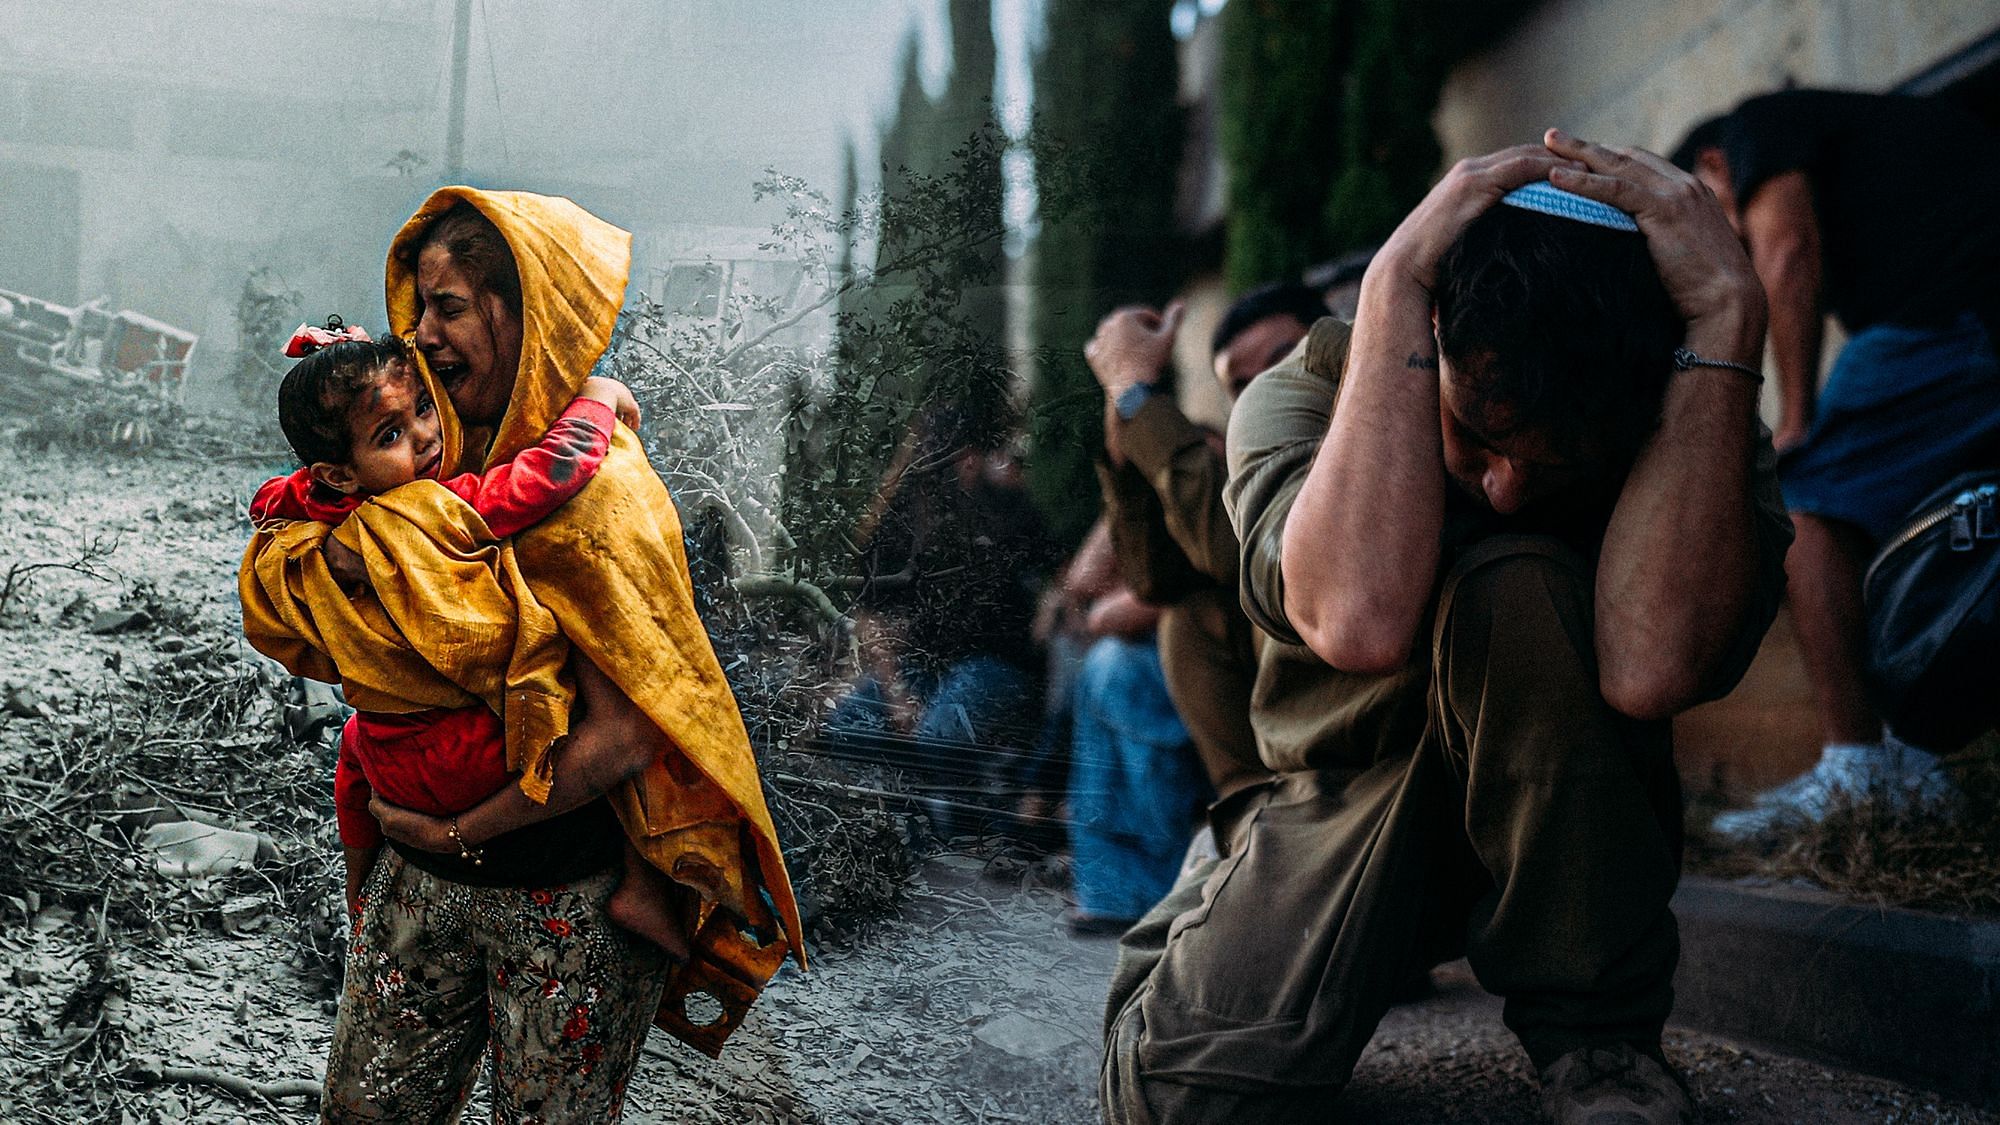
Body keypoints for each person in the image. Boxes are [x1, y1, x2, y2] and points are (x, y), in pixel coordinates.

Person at [1099, 133, 1792, 1125]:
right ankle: (1224, 880)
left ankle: (1595, 1044)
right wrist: (1393, 286)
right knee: (1177, 1103)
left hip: (1559, 818)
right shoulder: (1304, 390)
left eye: (1548, 459)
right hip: (1348, 796)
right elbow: (1355, 619)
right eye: (1476, 434)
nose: (1504, 486)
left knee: (1517, 580)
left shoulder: (1686, 409)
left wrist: (1730, 306)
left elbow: (1649, 667)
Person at [242, 192, 803, 1121]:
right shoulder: (432, 456)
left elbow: (624, 737)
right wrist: (322, 553)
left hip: (567, 909)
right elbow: (284, 589)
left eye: (449, 307)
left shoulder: (601, 494)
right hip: (419, 891)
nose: (421, 334)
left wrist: (453, 831)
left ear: (524, 313)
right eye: (419, 307)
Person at [248, 322, 695, 956]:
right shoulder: (430, 508)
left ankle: (359, 895)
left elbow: (270, 501)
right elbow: (542, 476)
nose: (427, 437)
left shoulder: (322, 517)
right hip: (470, 769)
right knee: (577, 704)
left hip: (392, 766)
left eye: (424, 407)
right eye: (392, 435)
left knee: (353, 745)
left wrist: (296, 494)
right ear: (342, 474)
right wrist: (597, 398)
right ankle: (644, 889)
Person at [1671, 90, 2000, 833]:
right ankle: (1914, 759)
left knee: (1807, 496)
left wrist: (1793, 421)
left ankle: (1858, 770)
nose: (1730, 253)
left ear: (1712, 168)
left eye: (1715, 222)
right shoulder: (1857, 147)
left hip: (1959, 313)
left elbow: (1787, 253)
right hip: (1964, 316)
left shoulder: (1756, 127)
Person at [1086, 283, 1330, 816]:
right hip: (1274, 773)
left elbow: (1238, 549)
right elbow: (1158, 577)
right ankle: (1248, 814)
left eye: (1283, 360)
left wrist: (1135, 394)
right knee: (1187, 613)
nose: (1267, 390)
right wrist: (1119, 404)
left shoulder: (1349, 443)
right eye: (1242, 386)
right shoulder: (1253, 458)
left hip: (1361, 771)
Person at [1057, 519, 1208, 934]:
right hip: (1166, 646)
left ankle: (1142, 890)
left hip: (1215, 647)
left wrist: (1113, 611)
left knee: (1114, 668)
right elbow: (1083, 580)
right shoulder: (1158, 488)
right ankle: (1115, 891)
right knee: (1102, 664)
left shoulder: (1211, 480)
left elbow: (1206, 580)